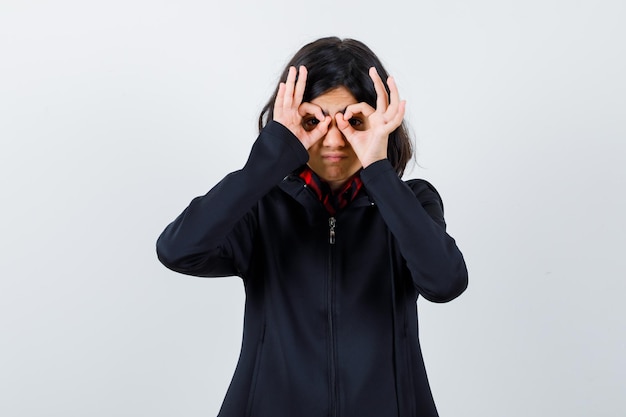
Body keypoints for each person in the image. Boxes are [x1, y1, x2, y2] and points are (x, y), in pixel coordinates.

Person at [156, 36, 468, 417]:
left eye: (354, 121)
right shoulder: (261, 207)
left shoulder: (412, 202)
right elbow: (178, 250)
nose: (334, 139)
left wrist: (378, 170)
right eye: (312, 121)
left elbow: (446, 282)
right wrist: (272, 156)